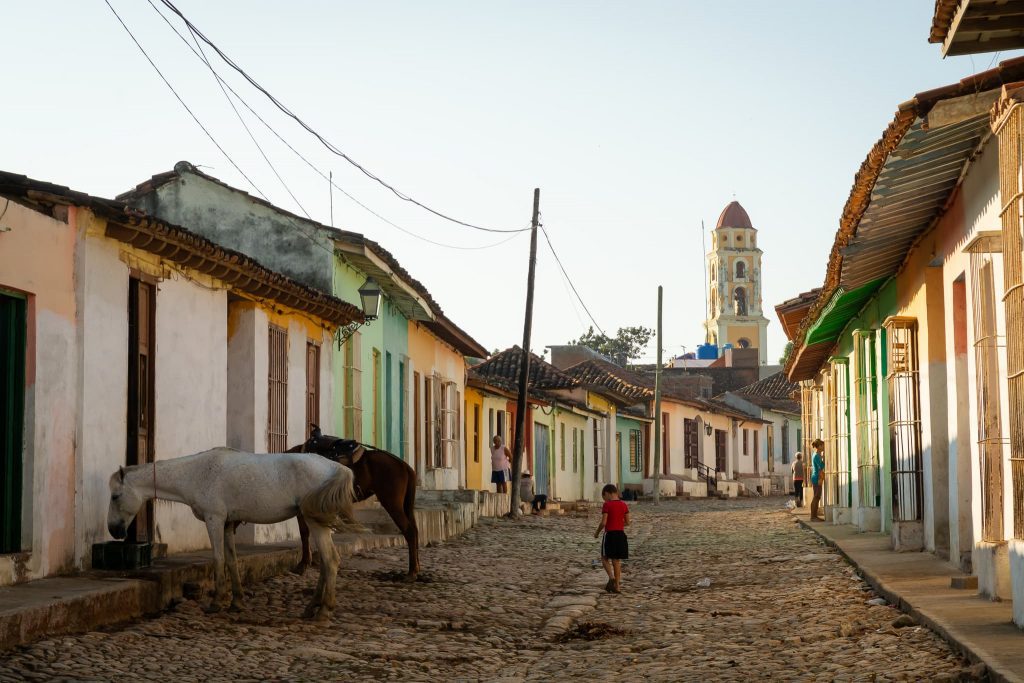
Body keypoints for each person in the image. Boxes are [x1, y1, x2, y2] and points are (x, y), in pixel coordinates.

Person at [594, 483, 630, 594]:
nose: (604, 500)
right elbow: (628, 522)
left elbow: (604, 522)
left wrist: (597, 532)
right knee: (617, 560)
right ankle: (617, 586)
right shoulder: (624, 505)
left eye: (604, 497)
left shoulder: (607, 505)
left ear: (608, 493)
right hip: (620, 534)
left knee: (604, 558)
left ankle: (611, 577)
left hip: (609, 534)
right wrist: (618, 524)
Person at [810, 439, 826, 521]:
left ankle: (814, 516)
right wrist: (820, 478)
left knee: (817, 497)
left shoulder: (816, 455)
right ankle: (813, 516)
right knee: (816, 497)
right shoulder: (816, 456)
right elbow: (820, 467)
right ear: (819, 446)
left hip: (816, 476)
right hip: (817, 477)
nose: (823, 447)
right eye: (822, 445)